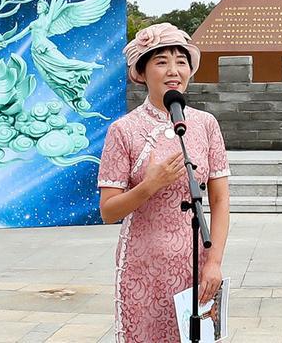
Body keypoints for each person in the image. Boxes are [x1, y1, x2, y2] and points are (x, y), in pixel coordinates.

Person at [98, 23, 231, 342]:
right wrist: (148, 186)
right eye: (161, 61)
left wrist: (214, 262)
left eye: (180, 61)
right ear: (141, 73)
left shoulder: (205, 125)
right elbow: (108, 211)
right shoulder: (123, 130)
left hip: (196, 264)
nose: (173, 70)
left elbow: (221, 200)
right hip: (143, 266)